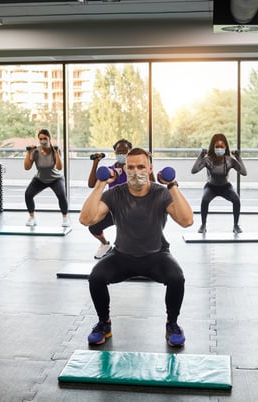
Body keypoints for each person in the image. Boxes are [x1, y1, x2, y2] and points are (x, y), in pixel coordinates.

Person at [79, 148, 194, 347]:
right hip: (122, 256)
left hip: (156, 255)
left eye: (141, 166)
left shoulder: (160, 193)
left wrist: (172, 185)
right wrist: (100, 184)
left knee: (177, 278)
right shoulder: (115, 194)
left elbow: (187, 221)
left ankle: (172, 324)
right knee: (96, 277)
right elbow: (86, 219)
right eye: (130, 167)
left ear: (150, 168)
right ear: (124, 169)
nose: (136, 171)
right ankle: (103, 323)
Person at [191, 133, 248, 234]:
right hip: (211, 187)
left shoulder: (230, 161)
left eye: (221, 147)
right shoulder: (208, 160)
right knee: (204, 200)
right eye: (217, 147)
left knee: (236, 199)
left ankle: (236, 225)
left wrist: (238, 157)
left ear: (225, 148)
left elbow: (244, 172)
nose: (219, 149)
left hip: (225, 187)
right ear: (213, 148)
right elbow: (194, 170)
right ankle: (203, 224)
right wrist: (201, 155)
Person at [86, 138, 132, 259]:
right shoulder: (110, 170)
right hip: (113, 209)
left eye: (125, 151)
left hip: (131, 209)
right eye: (119, 151)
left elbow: (151, 183)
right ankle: (105, 244)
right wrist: (95, 162)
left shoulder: (135, 169)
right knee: (93, 227)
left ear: (130, 152)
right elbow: (91, 184)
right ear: (115, 152)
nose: (121, 154)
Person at [24, 129, 70, 227]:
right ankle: (32, 218)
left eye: (45, 138)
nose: (43, 140)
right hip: (40, 179)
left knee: (61, 194)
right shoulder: (35, 151)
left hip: (55, 179)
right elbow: (27, 167)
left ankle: (65, 218)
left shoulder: (55, 150)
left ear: (49, 138)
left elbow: (59, 167)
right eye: (41, 139)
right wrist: (28, 153)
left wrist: (56, 153)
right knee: (28, 194)